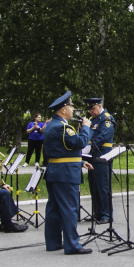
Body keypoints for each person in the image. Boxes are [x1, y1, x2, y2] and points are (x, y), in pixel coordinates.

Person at [43, 91, 94, 254]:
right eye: (71, 106)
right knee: (70, 208)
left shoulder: (52, 125)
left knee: (54, 208)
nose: (73, 109)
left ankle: (53, 243)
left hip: (56, 171)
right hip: (65, 174)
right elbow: (80, 143)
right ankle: (73, 245)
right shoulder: (62, 127)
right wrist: (86, 128)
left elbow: (61, 151)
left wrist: (79, 161)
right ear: (63, 110)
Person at [84, 97, 115, 223]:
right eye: (89, 109)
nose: (90, 111)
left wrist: (88, 143)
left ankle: (106, 214)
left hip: (102, 156)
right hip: (91, 156)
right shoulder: (92, 120)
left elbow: (103, 136)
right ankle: (97, 213)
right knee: (94, 186)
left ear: (99, 106)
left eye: (92, 108)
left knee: (103, 186)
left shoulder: (107, 118)